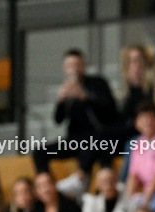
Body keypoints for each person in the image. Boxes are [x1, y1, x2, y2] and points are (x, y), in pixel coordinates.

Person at [34, 49, 119, 197]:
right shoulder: (66, 88)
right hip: (74, 139)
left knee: (92, 140)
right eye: (70, 65)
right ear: (64, 68)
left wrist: (85, 96)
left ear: (83, 66)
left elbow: (110, 110)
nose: (74, 68)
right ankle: (48, 187)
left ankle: (81, 177)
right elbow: (58, 120)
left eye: (77, 64)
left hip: (97, 136)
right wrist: (61, 100)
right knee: (39, 152)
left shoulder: (97, 83)